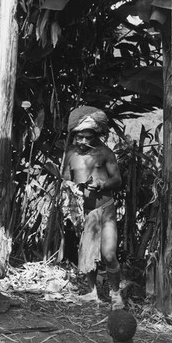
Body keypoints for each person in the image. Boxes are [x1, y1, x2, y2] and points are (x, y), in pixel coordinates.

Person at [63, 106, 124, 309]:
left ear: (96, 135)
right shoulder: (70, 154)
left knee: (108, 253)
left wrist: (102, 184)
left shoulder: (105, 153)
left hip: (105, 209)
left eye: (87, 137)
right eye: (79, 137)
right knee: (87, 252)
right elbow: (65, 178)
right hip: (83, 213)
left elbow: (117, 180)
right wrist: (72, 189)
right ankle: (92, 292)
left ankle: (116, 294)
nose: (82, 142)